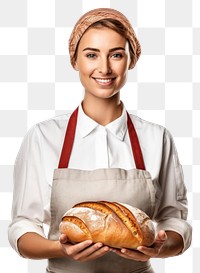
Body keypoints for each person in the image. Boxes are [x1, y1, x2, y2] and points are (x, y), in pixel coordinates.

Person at [8, 8, 192, 273]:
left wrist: (161, 247)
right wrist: (60, 249)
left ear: (131, 60)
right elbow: (22, 225)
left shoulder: (157, 137)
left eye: (116, 55)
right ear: (75, 61)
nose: (104, 68)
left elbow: (175, 220)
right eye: (91, 54)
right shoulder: (42, 136)